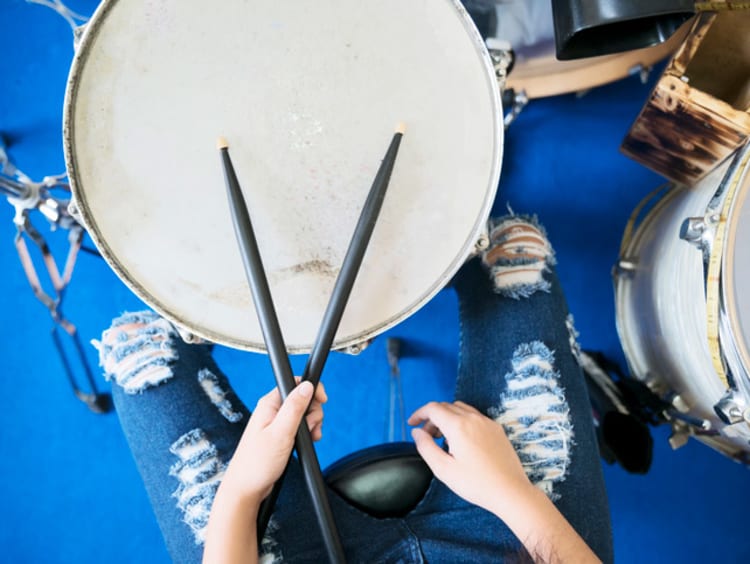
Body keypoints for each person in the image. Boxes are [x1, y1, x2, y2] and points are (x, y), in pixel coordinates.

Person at [96, 215, 613, 563]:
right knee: (518, 252)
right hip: (512, 546)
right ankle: (445, 230)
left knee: (137, 353)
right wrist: (512, 494)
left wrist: (245, 486)